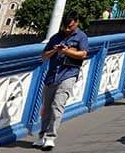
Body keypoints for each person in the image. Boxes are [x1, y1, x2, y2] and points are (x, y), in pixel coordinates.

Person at [36, 15, 89, 150]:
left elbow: (83, 54)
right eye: (65, 26)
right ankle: (41, 135)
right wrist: (55, 49)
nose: (66, 29)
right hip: (52, 75)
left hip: (69, 74)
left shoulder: (81, 37)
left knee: (57, 106)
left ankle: (50, 137)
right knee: (46, 108)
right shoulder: (55, 37)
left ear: (76, 23)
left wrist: (67, 51)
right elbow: (43, 56)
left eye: (70, 26)